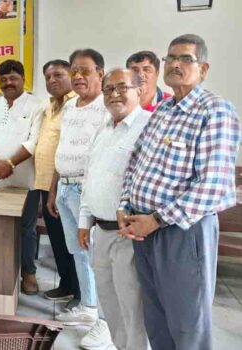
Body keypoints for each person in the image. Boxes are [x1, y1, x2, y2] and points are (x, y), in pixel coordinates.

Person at [118, 34, 240, 350]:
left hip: (183, 233)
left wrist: (156, 220)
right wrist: (125, 206)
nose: (175, 64)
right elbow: (135, 163)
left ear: (204, 69)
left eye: (186, 58)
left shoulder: (215, 111)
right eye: (171, 57)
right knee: (156, 319)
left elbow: (214, 185)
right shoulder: (163, 111)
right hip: (143, 230)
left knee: (187, 326)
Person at [77, 69, 150, 350]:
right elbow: (90, 177)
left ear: (139, 91)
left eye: (122, 88)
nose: (114, 94)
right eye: (108, 89)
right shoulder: (104, 128)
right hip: (101, 231)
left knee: (132, 305)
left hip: (128, 235)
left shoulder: (148, 126)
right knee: (109, 304)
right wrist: (84, 220)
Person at [50, 49, 109, 346]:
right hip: (65, 186)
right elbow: (62, 148)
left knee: (95, 253)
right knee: (77, 251)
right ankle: (88, 306)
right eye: (74, 71)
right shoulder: (71, 106)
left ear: (100, 73)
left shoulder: (106, 106)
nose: (78, 76)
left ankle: (102, 317)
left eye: (85, 70)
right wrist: (54, 189)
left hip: (87, 190)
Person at [0, 59, 45, 294]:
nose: (8, 83)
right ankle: (2, 272)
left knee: (26, 230)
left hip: (25, 181)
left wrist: (10, 163)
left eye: (13, 78)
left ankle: (28, 274)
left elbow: (34, 141)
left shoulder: (37, 105)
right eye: (4, 79)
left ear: (23, 79)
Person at [34, 60, 80, 308]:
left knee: (73, 242)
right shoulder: (49, 106)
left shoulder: (76, 105)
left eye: (58, 75)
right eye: (48, 77)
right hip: (44, 184)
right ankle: (66, 285)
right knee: (58, 240)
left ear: (71, 75)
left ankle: (80, 293)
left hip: (64, 185)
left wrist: (53, 191)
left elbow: (68, 151)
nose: (52, 80)